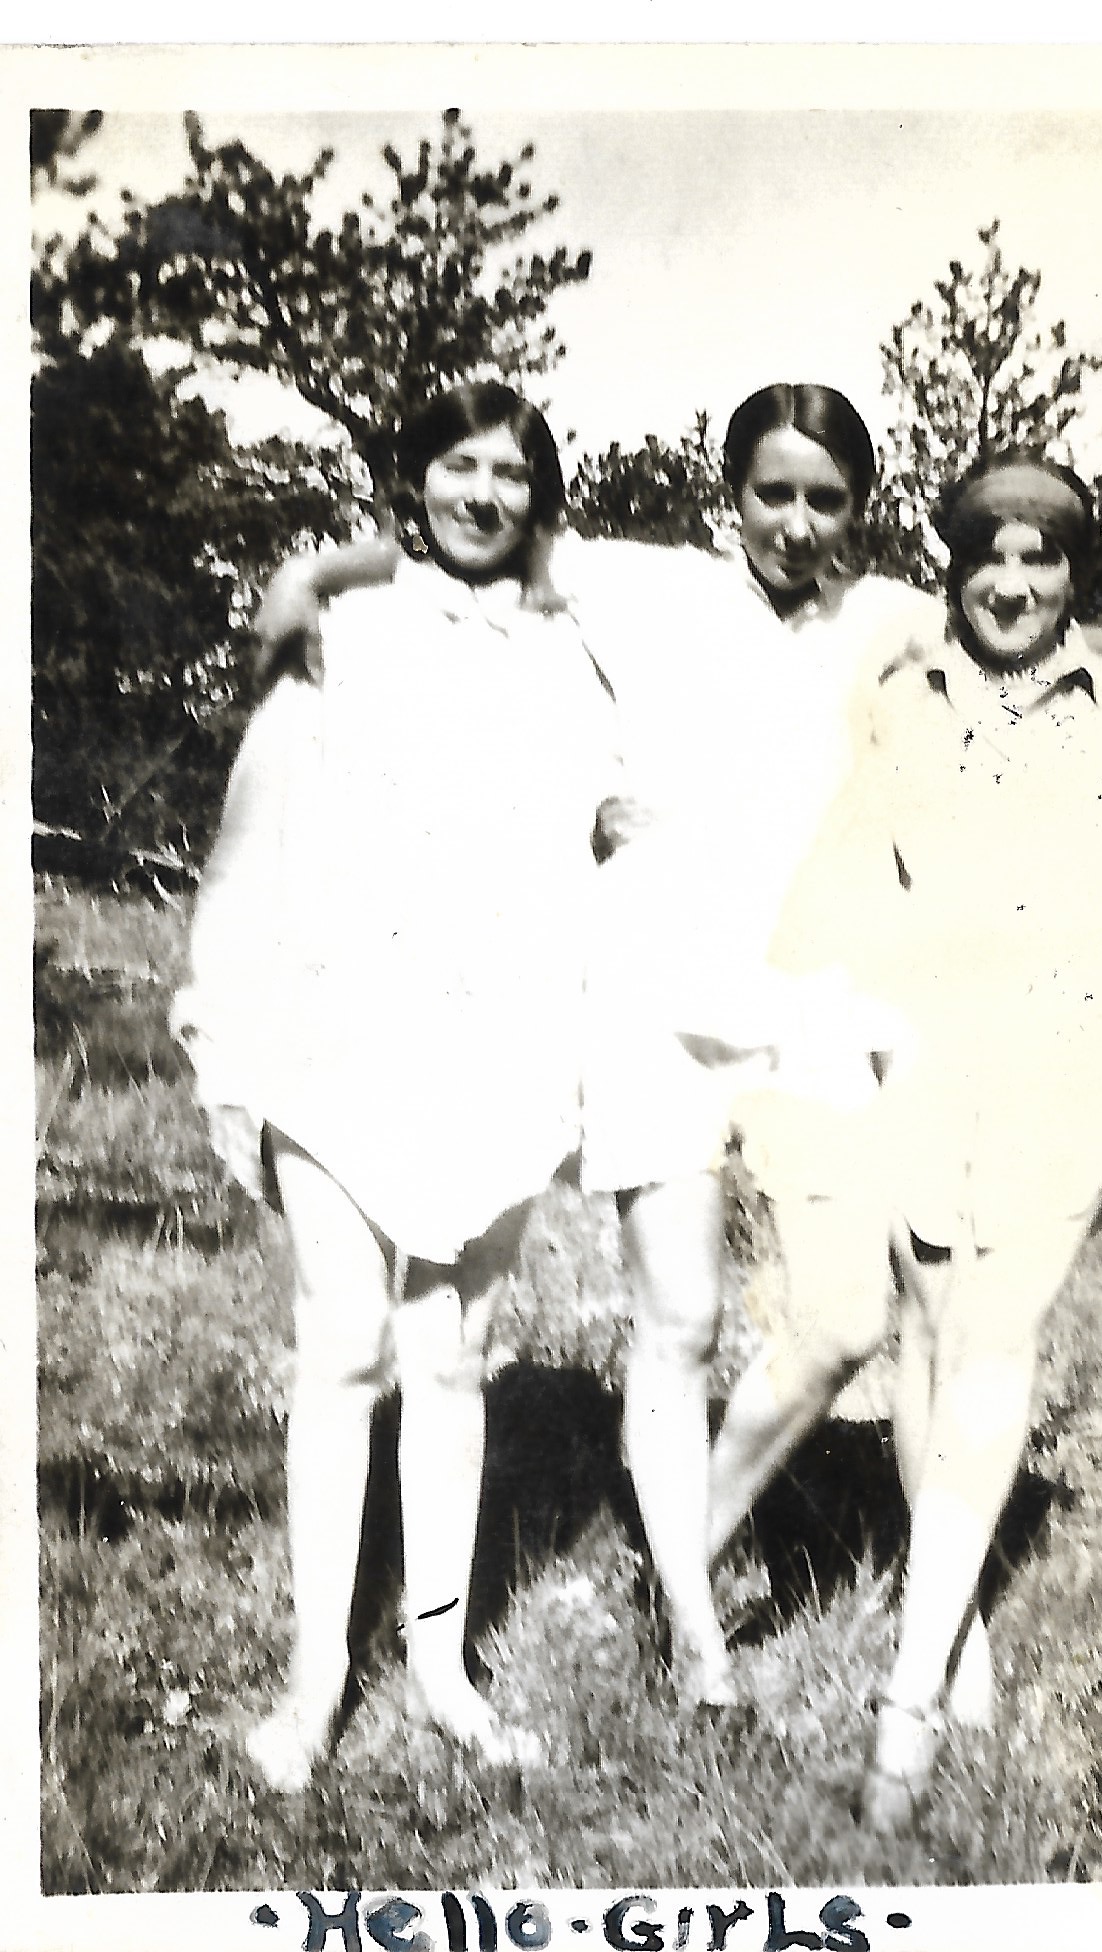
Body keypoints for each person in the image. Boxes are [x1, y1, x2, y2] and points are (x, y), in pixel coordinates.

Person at [251, 395, 1102, 1720]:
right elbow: (478, 539)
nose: (797, 523)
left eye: (826, 500)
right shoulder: (645, 586)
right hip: (657, 1000)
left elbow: (1028, 616)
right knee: (683, 1320)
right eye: (773, 493)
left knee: (857, 1318)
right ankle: (695, 1628)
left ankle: (914, 1594)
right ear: (731, 493)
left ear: (859, 509)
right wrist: (315, 569)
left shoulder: (885, 616)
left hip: (814, 1002)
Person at [733, 452, 1102, 1828]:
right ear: (953, 571)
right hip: (924, 1061)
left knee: (993, 1340)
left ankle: (905, 1704)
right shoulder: (901, 699)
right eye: (989, 559)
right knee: (927, 1336)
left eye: (1043, 558)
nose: (1014, 584)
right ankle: (954, 1633)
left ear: (1076, 572)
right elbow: (839, 884)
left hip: (1074, 1067)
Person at [173, 382, 621, 1793]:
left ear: (539, 499)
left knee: (452, 1354)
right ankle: (314, 1683)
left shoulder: (572, 659)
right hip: (337, 1032)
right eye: (457, 466)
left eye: (511, 474)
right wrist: (224, 1022)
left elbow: (596, 838)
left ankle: (438, 1669)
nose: (483, 494)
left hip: (495, 1042)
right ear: (413, 481)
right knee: (343, 1343)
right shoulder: (343, 631)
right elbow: (252, 835)